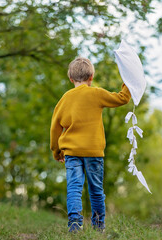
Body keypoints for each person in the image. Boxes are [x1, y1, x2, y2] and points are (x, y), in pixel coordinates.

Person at [50, 56, 131, 233]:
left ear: (71, 78)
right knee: (96, 190)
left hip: (71, 152)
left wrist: (57, 151)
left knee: (74, 187)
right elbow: (123, 98)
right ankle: (98, 226)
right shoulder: (96, 93)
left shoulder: (64, 99)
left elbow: (55, 127)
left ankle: (75, 223)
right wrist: (127, 80)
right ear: (91, 77)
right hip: (94, 152)